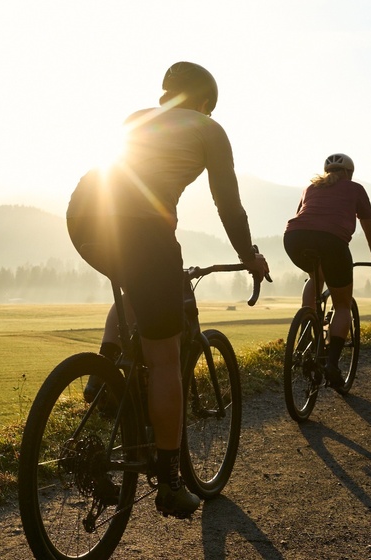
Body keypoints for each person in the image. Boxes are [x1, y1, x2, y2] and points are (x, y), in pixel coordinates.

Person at [66, 61, 269, 518]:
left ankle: (105, 374)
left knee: (133, 288)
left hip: (82, 216)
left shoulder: (136, 118)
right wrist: (249, 254)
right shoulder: (209, 128)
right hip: (142, 229)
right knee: (164, 358)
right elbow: (228, 203)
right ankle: (171, 481)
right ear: (204, 102)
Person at [283, 153, 371, 388]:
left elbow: (303, 215)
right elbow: (370, 229)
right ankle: (331, 363)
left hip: (294, 238)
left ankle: (307, 327)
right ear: (349, 173)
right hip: (332, 243)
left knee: (315, 275)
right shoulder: (355, 189)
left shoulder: (311, 187)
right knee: (342, 304)